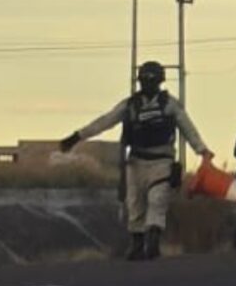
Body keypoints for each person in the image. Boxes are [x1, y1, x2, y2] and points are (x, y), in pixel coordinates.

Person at [59, 61, 211, 261]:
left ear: (160, 82)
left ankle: (154, 240)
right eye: (145, 80)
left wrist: (202, 150)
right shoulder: (130, 105)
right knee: (135, 203)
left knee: (158, 200)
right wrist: (77, 137)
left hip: (162, 161)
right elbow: (105, 121)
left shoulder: (170, 105)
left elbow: (187, 128)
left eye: (152, 80)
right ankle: (137, 243)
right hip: (136, 162)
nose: (148, 85)